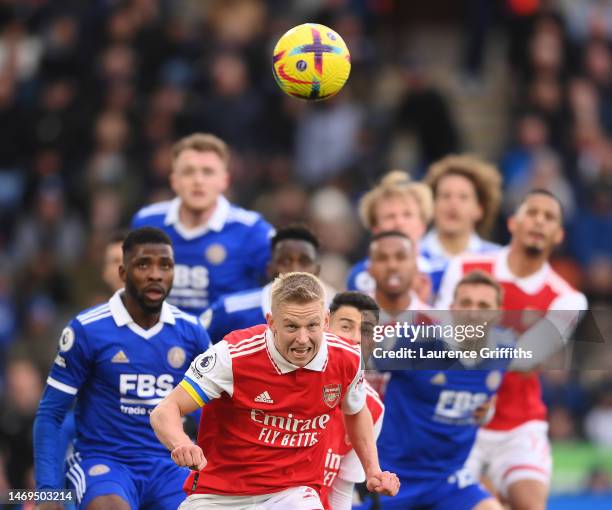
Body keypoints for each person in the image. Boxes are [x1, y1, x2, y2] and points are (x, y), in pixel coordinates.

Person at [150, 272, 400, 510]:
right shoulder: (232, 355)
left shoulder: (348, 357)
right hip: (218, 494)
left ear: (325, 321)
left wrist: (372, 470)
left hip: (292, 493)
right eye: (291, 327)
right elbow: (165, 410)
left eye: (312, 326)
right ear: (271, 322)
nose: (303, 339)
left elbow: (356, 411)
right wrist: (182, 443)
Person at [33, 227, 211, 510]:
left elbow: (212, 414)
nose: (155, 274)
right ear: (123, 273)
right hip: (104, 462)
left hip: (169, 465)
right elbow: (51, 414)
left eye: (165, 265)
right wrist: (47, 494)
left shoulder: (191, 331)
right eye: (144, 264)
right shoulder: (87, 330)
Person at [437, 190, 588, 510]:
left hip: (519, 424)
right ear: (513, 223)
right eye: (532, 212)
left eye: (549, 217)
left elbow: (523, 359)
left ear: (559, 235)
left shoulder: (569, 299)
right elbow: (444, 341)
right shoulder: (464, 267)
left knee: (531, 504)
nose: (539, 221)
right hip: (461, 419)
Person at [376, 271, 507, 510]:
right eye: (466, 303)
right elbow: (361, 368)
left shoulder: (503, 352)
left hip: (448, 479)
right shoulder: (415, 343)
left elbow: (489, 393)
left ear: (497, 315)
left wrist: (488, 409)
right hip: (391, 475)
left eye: (483, 305)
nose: (473, 312)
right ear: (452, 308)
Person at [131, 133, 274, 318]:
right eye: (188, 171)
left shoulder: (253, 229)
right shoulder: (146, 222)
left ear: (225, 181)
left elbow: (287, 286)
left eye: (208, 172)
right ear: (174, 180)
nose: (198, 180)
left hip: (225, 343)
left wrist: (225, 312)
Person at [202, 225, 334, 343]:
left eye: (304, 262)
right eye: (286, 262)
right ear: (269, 269)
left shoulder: (337, 311)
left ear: (317, 271)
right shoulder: (229, 310)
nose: (295, 270)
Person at [323, 291, 385, 510]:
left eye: (366, 331)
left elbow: (340, 492)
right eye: (346, 326)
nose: (357, 338)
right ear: (324, 327)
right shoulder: (290, 379)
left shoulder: (374, 408)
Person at [346, 171, 435, 302]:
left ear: (423, 225)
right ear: (375, 229)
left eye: (407, 215)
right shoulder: (360, 276)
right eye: (390, 216)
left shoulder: (442, 271)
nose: (399, 223)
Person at [421, 154, 502, 293]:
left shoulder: (498, 260)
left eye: (463, 197)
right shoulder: (411, 257)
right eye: (445, 195)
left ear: (479, 209)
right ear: (431, 205)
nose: (453, 204)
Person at [365, 230, 430, 396]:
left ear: (415, 266)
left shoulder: (436, 323)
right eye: (382, 258)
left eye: (401, 257)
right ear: (369, 268)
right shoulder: (349, 318)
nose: (392, 265)